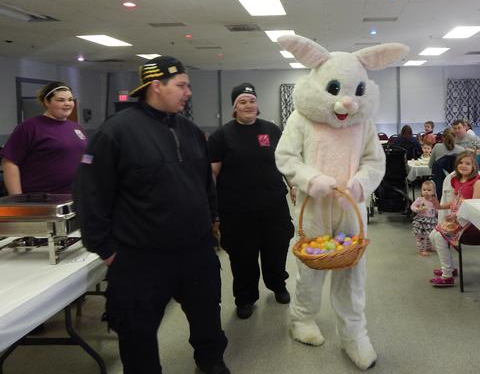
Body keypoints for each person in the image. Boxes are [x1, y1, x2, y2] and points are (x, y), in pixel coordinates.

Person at [73, 56, 229, 374]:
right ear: (156, 86)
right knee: (137, 330)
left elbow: (204, 182)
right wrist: (105, 249)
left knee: (207, 315)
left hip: (195, 250)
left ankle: (211, 361)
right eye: (182, 85)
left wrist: (213, 219)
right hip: (141, 257)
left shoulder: (189, 131)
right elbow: (90, 195)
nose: (188, 92)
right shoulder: (116, 132)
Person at [208, 82, 294, 320]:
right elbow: (211, 176)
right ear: (234, 108)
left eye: (252, 101)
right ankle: (245, 298)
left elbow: (283, 161)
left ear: (257, 104)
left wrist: (292, 183)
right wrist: (212, 211)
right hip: (237, 211)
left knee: (276, 249)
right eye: (242, 102)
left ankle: (278, 284)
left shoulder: (271, 130)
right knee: (242, 256)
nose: (248, 105)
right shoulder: (221, 136)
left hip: (273, 205)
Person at [1, 81, 86, 195]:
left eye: (70, 100)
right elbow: (10, 162)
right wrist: (17, 199)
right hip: (41, 199)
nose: (67, 103)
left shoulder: (76, 127)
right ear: (47, 102)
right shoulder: (30, 127)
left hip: (74, 195)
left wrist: (92, 162)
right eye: (61, 100)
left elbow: (84, 156)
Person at [429, 151, 480, 287]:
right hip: (458, 219)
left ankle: (447, 275)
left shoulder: (478, 182)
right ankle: (450, 268)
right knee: (432, 235)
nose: (463, 165)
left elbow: (475, 207)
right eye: (460, 162)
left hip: (470, 221)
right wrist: (440, 206)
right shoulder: (457, 181)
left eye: (468, 163)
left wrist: (457, 214)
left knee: (439, 237)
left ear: (474, 166)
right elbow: (455, 202)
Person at [410, 180, 439, 256]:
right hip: (421, 220)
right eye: (424, 190)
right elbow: (412, 206)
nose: (426, 192)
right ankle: (421, 249)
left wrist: (438, 211)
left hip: (431, 221)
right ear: (421, 190)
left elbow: (436, 209)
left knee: (430, 235)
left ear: (433, 192)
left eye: (429, 190)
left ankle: (429, 247)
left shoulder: (434, 200)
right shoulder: (420, 199)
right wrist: (418, 209)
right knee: (420, 236)